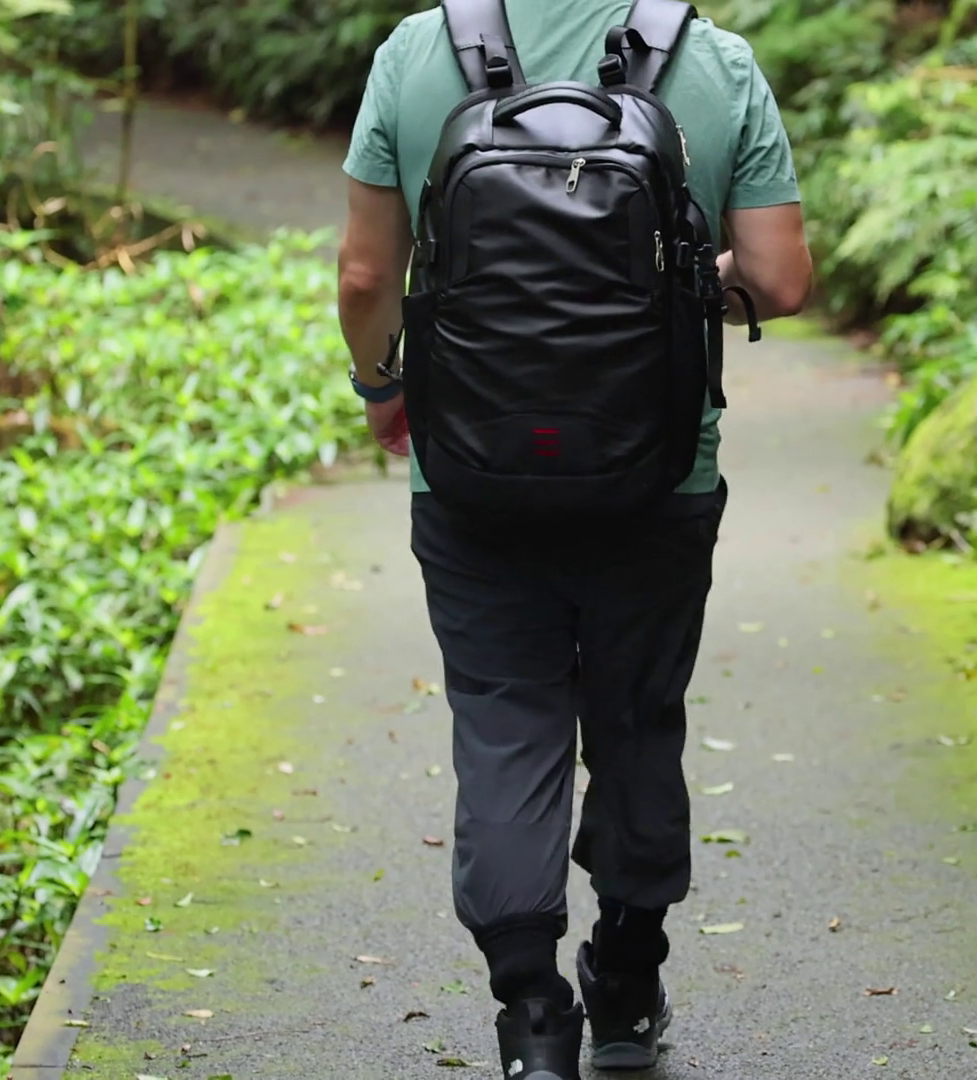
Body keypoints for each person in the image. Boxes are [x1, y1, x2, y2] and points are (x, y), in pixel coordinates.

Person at [334, 1, 813, 1076]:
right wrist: (667, 279)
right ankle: (628, 983)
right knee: (638, 720)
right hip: (658, 473)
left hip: (472, 473)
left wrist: (382, 387)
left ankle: (532, 1017)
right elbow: (780, 279)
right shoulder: (716, 62)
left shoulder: (417, 53)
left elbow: (367, 277)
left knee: (505, 722)